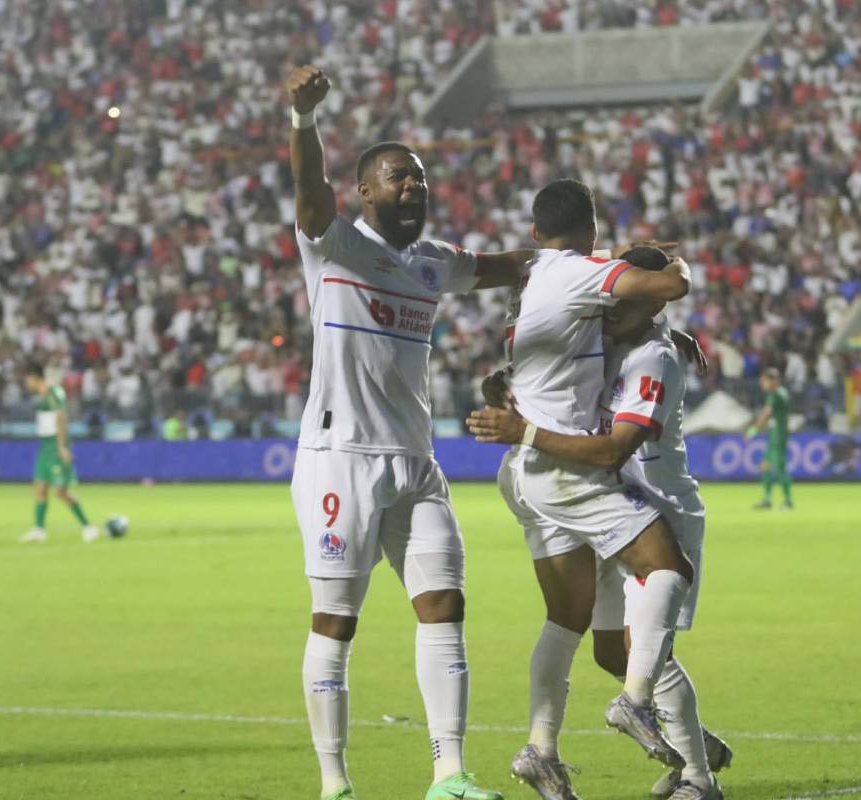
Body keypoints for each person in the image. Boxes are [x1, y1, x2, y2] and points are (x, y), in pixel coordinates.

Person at [286, 64, 536, 800]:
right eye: (400, 178)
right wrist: (304, 121)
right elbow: (308, 196)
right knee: (336, 619)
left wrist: (580, 259)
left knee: (446, 603)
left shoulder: (433, 264)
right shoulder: (334, 246)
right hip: (340, 459)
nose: (414, 188)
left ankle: (449, 774)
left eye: (421, 179)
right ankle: (334, 782)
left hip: (415, 461)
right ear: (364, 192)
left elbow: (504, 267)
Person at [469, 246, 730, 800]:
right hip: (613, 503)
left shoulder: (651, 357)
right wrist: (507, 385)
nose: (609, 309)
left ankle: (697, 776)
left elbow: (614, 448)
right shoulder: (612, 338)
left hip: (659, 508)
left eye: (625, 302)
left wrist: (524, 433)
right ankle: (685, 749)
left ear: (650, 303)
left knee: (647, 653)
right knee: (613, 650)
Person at [18, 362, 100, 543]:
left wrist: (62, 447)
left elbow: (61, 417)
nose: (26, 385)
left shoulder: (53, 393)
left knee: (61, 491)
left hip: (56, 444)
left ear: (34, 378)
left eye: (27, 381)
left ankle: (88, 526)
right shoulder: (42, 397)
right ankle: (39, 529)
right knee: (40, 488)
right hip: (46, 445)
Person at [746, 368, 793, 510]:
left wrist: (755, 429)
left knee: (779, 469)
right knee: (765, 466)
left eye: (764, 381)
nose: (762, 384)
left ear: (772, 380)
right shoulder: (781, 393)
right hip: (775, 435)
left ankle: (788, 501)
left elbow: (767, 414)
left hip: (778, 436)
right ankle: (767, 499)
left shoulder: (776, 394)